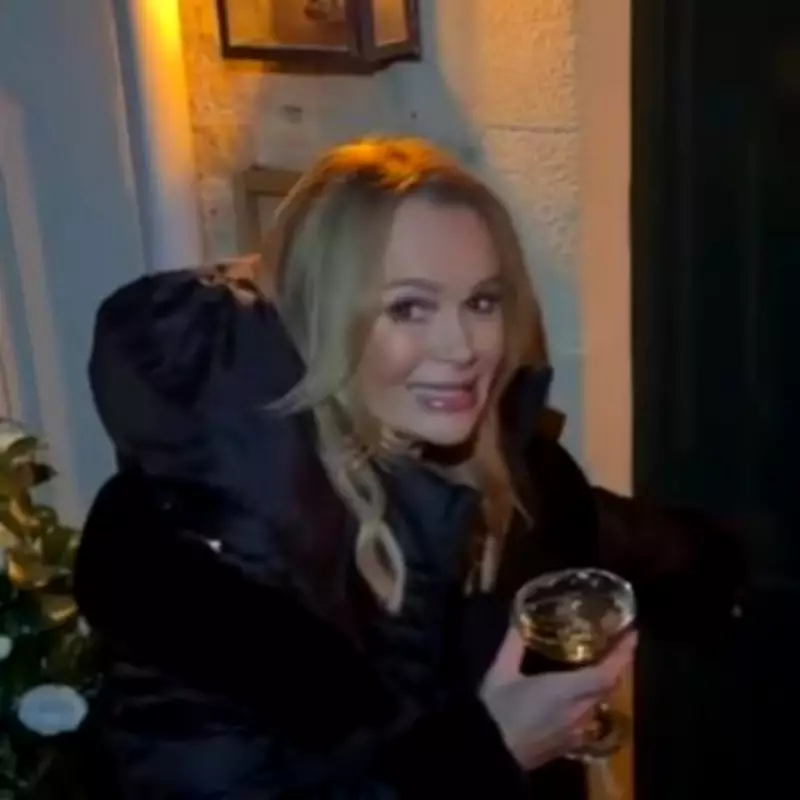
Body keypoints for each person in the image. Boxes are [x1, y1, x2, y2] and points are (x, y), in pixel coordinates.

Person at [74, 138, 742, 798]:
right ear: (318, 319)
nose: (463, 347)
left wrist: (724, 572)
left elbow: (590, 530)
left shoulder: (485, 468)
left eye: (482, 301)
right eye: (407, 307)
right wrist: (492, 754)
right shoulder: (204, 578)